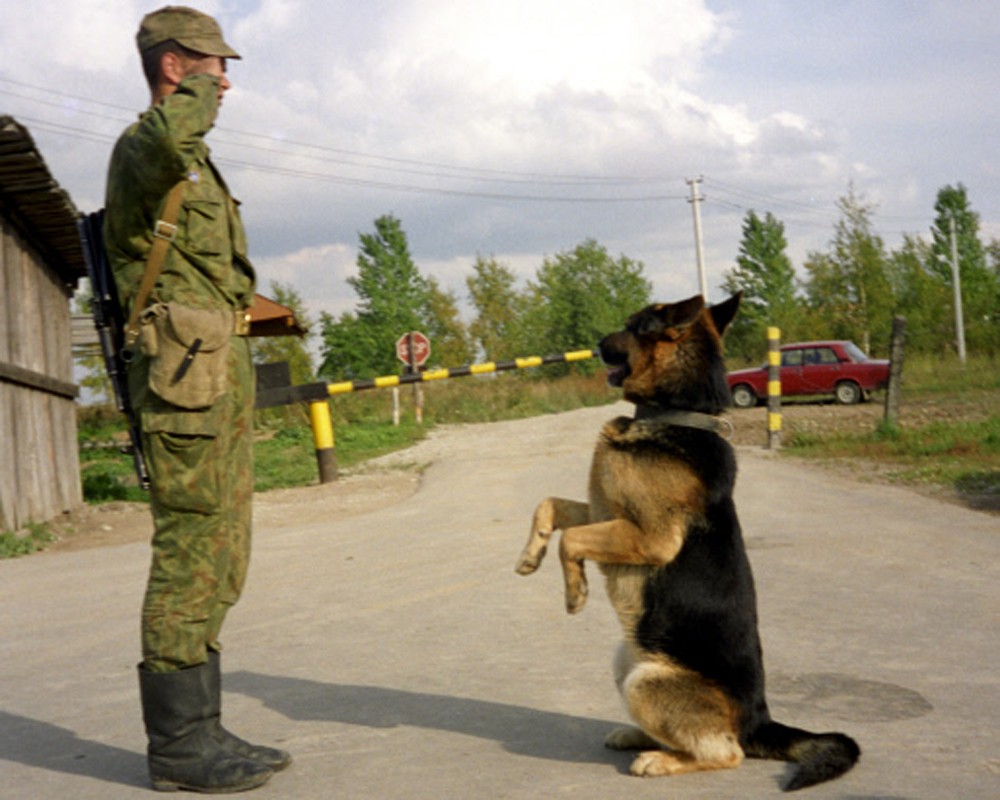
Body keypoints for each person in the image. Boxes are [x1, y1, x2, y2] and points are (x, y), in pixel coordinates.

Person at [103, 6, 290, 792]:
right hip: (182, 393)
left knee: (224, 555)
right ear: (174, 66)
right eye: (214, 65)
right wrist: (195, 98)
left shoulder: (190, 163)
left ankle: (205, 730)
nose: (226, 79)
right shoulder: (147, 149)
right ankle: (178, 748)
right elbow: (170, 137)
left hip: (212, 385)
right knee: (190, 553)